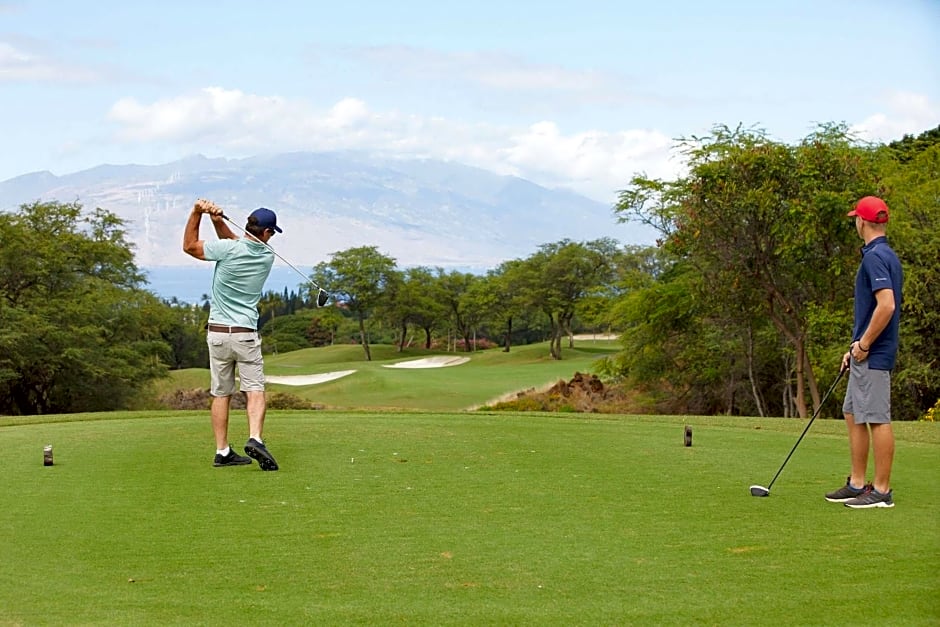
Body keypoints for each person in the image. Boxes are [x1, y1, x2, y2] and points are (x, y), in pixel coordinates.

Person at [182, 199, 281, 471]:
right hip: (245, 334)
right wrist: (215, 220)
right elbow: (238, 243)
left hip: (217, 334)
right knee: (255, 389)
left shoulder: (227, 250)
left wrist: (198, 214)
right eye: (271, 232)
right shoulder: (266, 256)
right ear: (266, 233)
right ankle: (255, 438)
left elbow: (190, 246)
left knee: (221, 393)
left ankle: (222, 451)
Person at [825, 196, 903, 508]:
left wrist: (865, 344)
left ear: (863, 222)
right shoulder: (884, 255)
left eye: (856, 218)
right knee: (853, 412)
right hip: (863, 351)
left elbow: (887, 305)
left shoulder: (875, 258)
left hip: (874, 353)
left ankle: (881, 491)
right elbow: (875, 307)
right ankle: (857, 483)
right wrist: (854, 345)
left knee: (877, 418)